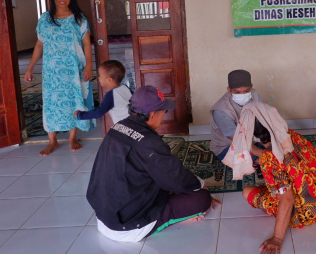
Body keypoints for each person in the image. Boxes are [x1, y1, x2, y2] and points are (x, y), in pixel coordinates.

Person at [86, 85, 219, 242]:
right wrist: (200, 184)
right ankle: (170, 219)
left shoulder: (118, 127)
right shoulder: (149, 143)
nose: (164, 115)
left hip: (104, 216)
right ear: (153, 114)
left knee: (164, 180)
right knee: (201, 199)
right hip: (128, 226)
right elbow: (176, 177)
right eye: (164, 111)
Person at [223, 102, 316, 254]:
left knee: (247, 191)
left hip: (308, 213)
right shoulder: (292, 135)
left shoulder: (270, 160)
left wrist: (277, 238)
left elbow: (287, 199)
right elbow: (284, 157)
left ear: (252, 134)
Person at [24, 0, 95, 156]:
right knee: (51, 103)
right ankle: (52, 141)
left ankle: (72, 137)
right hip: (52, 72)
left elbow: (87, 44)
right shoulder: (45, 19)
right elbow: (39, 44)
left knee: (73, 101)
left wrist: (88, 66)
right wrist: (30, 67)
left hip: (73, 70)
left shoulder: (79, 18)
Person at [210, 69, 264, 160]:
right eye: (237, 92)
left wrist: (268, 143)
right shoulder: (221, 110)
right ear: (229, 90)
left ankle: (259, 159)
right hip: (228, 146)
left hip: (252, 139)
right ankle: (257, 161)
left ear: (251, 87)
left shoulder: (254, 95)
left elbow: (262, 119)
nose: (243, 95)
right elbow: (238, 140)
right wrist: (267, 156)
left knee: (281, 139)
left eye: (246, 91)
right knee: (247, 159)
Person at [74, 60, 132, 124]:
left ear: (109, 80)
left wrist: (80, 115)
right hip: (134, 122)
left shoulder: (111, 95)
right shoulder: (125, 88)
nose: (98, 78)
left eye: (100, 76)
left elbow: (99, 113)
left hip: (125, 127)